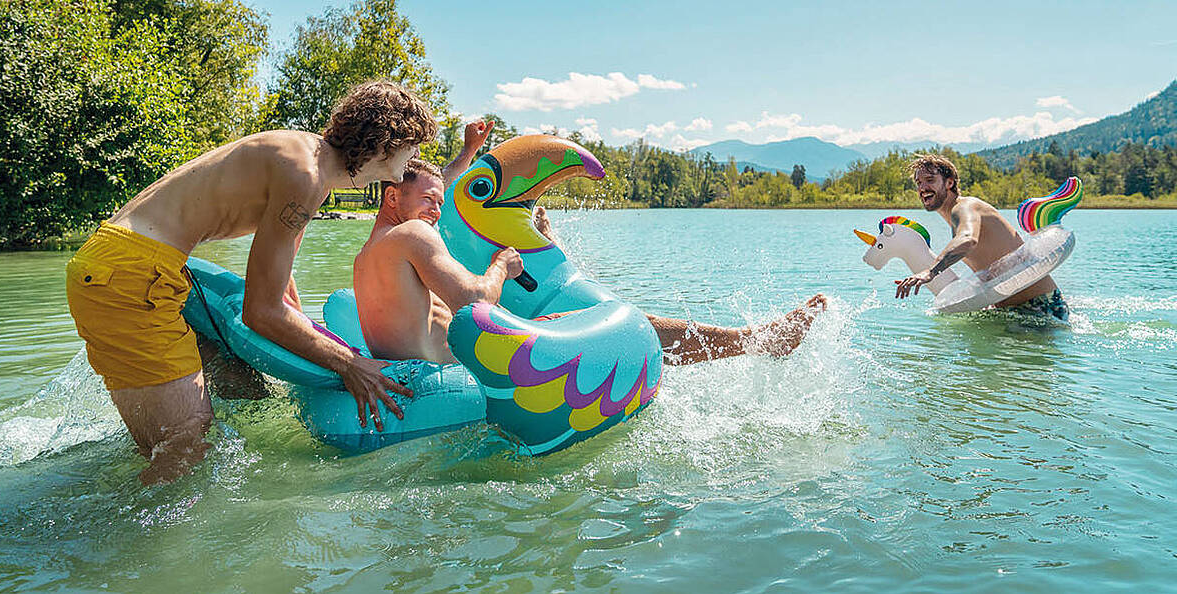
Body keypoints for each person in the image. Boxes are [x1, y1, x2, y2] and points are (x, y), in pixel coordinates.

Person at [65, 81, 437, 484]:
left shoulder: (307, 158)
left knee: (244, 388)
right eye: (412, 146)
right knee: (186, 444)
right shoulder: (305, 177)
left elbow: (282, 278)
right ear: (387, 142)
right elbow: (261, 311)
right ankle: (127, 543)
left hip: (130, 264)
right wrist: (349, 364)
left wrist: (307, 331)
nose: (414, 157)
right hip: (134, 275)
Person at [353, 122, 827, 368]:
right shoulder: (413, 235)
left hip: (411, 363)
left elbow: (446, 188)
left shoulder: (372, 252)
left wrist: (468, 152)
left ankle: (749, 342)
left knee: (566, 316)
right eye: (429, 203)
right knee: (619, 325)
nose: (438, 211)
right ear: (392, 196)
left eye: (439, 204)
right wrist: (500, 264)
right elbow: (475, 300)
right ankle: (755, 343)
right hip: (454, 373)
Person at [894, 154, 1069, 320]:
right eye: (918, 182)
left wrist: (930, 272)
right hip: (1015, 310)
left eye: (930, 180)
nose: (922, 188)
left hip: (1040, 307)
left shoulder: (964, 207)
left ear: (949, 183)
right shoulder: (956, 216)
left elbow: (968, 239)